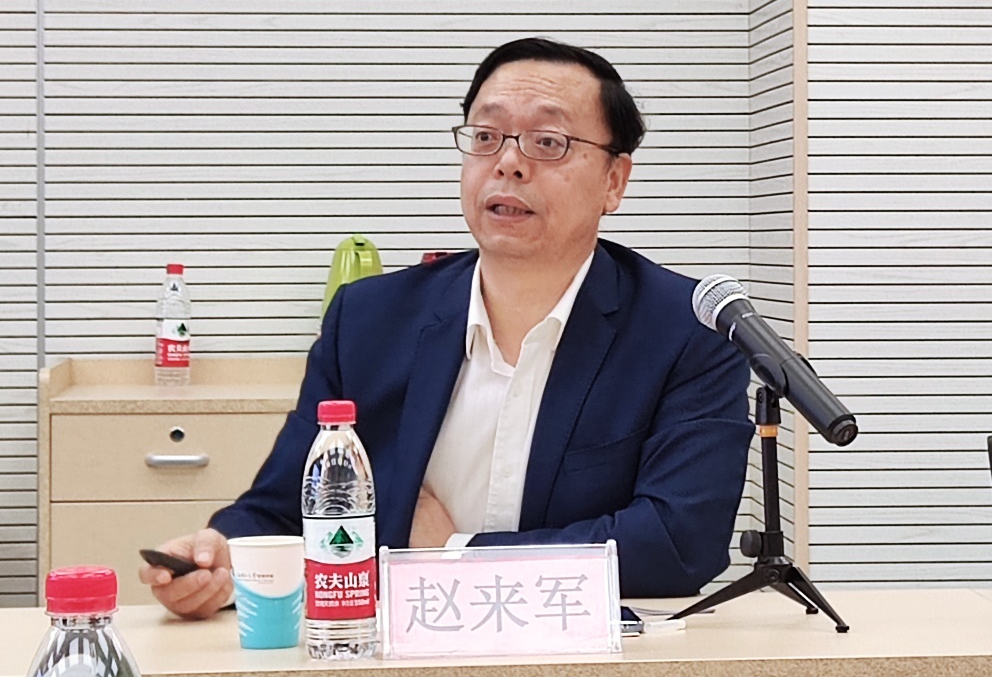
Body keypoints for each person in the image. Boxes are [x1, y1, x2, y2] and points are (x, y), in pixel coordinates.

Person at [139, 37, 753, 619]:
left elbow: (677, 544)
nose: (508, 163)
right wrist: (221, 559)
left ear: (614, 180)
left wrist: (454, 557)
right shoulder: (369, 320)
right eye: (486, 137)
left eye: (548, 142)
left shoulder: (687, 330)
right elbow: (285, 511)